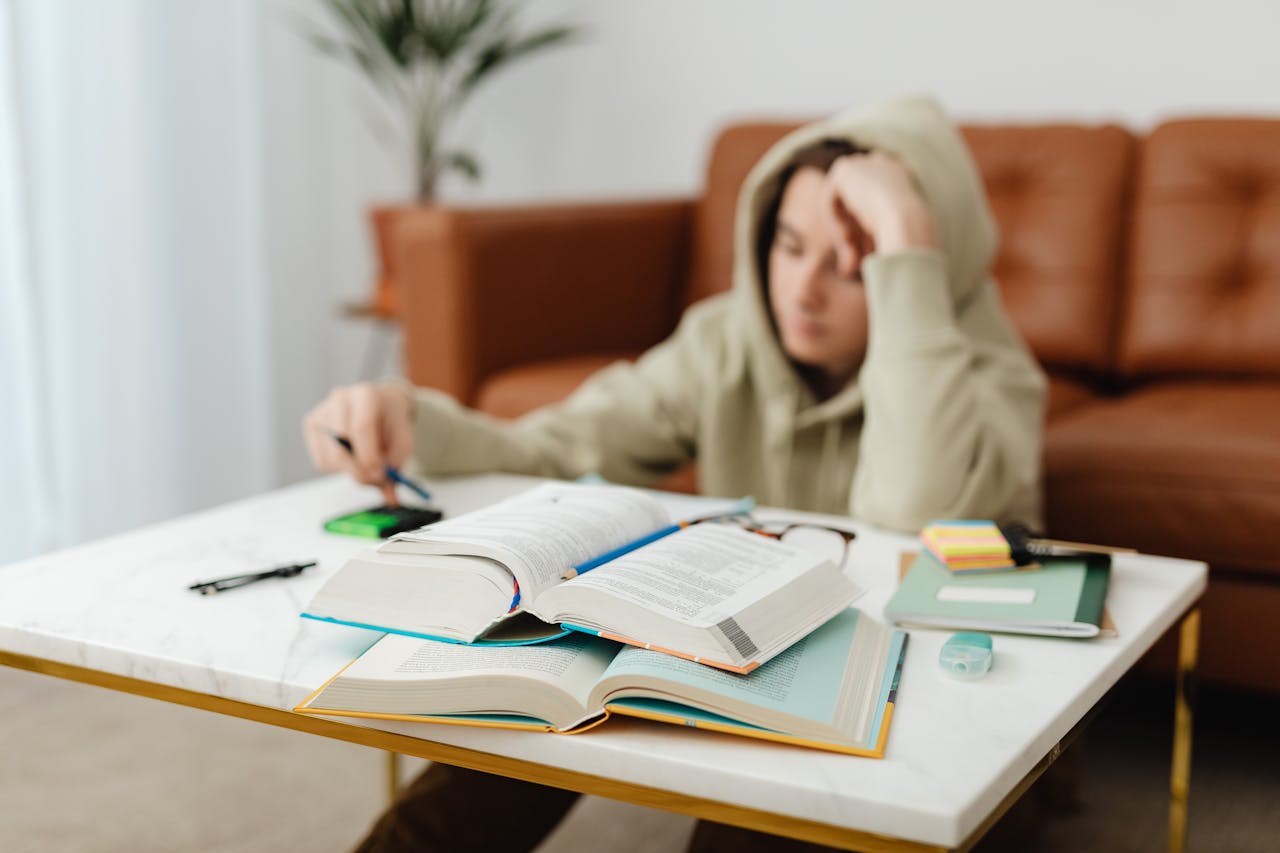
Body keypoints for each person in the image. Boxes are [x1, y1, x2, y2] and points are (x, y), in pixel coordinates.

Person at [303, 94, 1047, 852]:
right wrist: (407, 414)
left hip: (915, 706)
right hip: (739, 656)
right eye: (789, 246)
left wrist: (907, 247)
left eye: (853, 267)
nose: (802, 290)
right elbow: (558, 445)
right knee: (513, 708)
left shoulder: (990, 377)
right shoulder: (726, 341)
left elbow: (912, 517)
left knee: (752, 825)